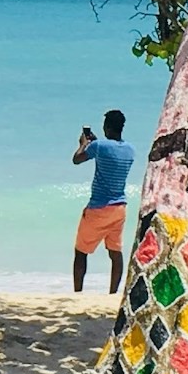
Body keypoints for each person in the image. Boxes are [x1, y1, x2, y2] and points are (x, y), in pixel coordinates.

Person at [71, 108, 136, 293]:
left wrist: (83, 143)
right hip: (119, 208)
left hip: (98, 208)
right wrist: (96, 142)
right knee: (115, 252)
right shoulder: (130, 150)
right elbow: (110, 151)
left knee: (81, 252)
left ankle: (78, 293)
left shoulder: (98, 147)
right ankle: (114, 293)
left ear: (107, 127)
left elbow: (76, 159)